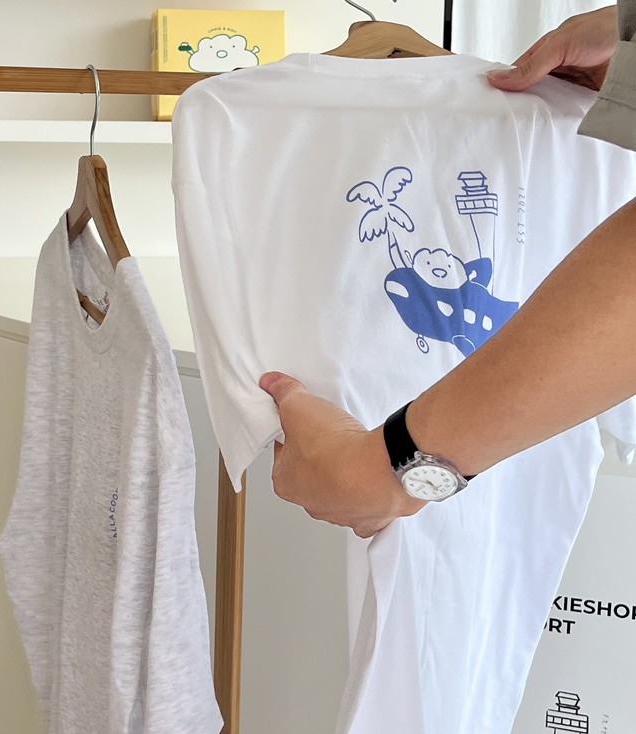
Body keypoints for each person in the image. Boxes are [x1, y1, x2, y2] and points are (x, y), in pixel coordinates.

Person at [258, 3, 636, 538]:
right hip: (424, 443)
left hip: (476, 468)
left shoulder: (577, 121)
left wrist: (392, 467)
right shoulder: (237, 112)